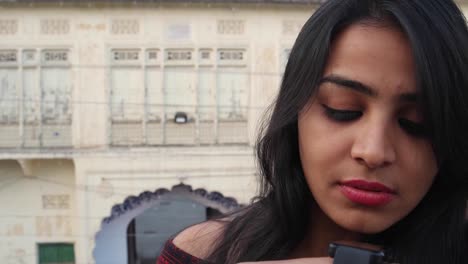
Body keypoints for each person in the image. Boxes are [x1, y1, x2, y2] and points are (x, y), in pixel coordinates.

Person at [156, 0, 468, 263]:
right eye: (342, 109)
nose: (373, 151)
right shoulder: (200, 253)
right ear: (294, 112)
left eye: (417, 123)